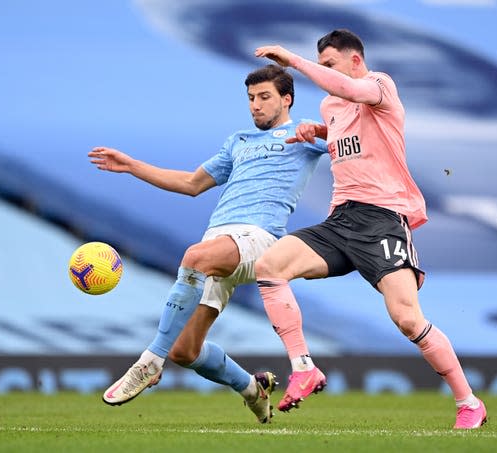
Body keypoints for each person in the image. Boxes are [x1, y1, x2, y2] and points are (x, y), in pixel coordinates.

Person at [254, 29, 487, 429]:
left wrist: (292, 60)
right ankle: (304, 367)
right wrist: (321, 132)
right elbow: (355, 135)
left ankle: (468, 403)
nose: (326, 74)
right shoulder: (330, 106)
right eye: (321, 65)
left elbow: (349, 90)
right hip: (341, 219)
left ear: (355, 61)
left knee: (409, 320)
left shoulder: (379, 84)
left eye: (330, 64)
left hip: (382, 219)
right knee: (269, 267)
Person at [88, 64, 327, 424]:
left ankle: (150, 362)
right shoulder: (239, 141)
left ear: (287, 99)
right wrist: (132, 165)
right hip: (220, 242)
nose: (255, 106)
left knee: (195, 257)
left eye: (264, 97)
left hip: (260, 240)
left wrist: (325, 130)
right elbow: (191, 183)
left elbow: (355, 138)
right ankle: (252, 388)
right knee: (185, 350)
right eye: (250, 98)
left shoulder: (305, 134)